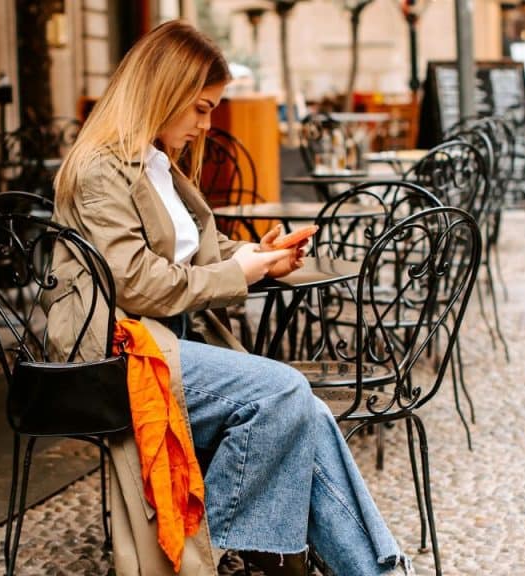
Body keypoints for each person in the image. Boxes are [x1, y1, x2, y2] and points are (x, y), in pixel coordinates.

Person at [48, 20, 409, 576]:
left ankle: (380, 572)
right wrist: (240, 273)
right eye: (199, 107)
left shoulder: (155, 163)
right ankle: (209, 553)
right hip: (116, 354)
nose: (206, 123)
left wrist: (261, 257)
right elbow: (138, 283)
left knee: (306, 411)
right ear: (160, 92)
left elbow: (200, 251)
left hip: (169, 342)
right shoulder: (102, 169)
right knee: (283, 388)